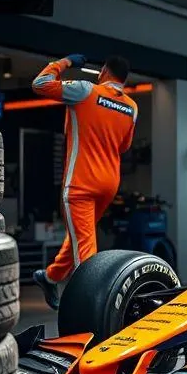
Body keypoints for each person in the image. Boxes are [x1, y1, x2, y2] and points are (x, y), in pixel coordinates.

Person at [31, 54, 137, 310]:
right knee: (82, 236)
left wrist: (65, 62)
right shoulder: (132, 107)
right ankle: (52, 276)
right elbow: (124, 146)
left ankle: (91, 310)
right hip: (108, 185)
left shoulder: (84, 90)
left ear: (103, 71)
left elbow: (40, 83)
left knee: (85, 248)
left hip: (80, 184)